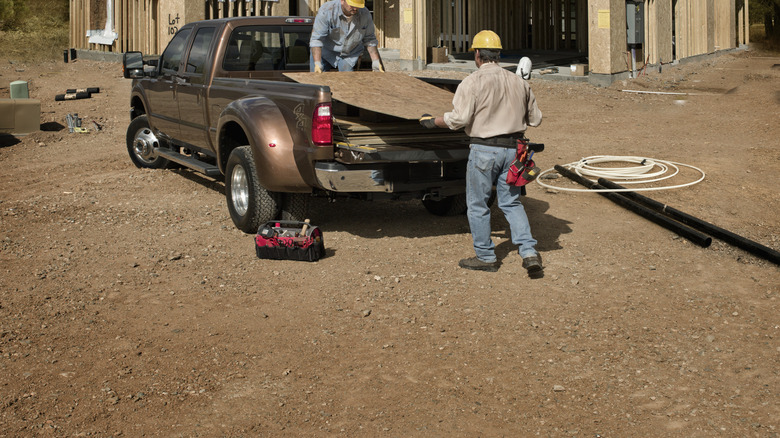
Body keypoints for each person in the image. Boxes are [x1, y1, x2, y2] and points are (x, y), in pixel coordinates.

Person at [419, 30, 543, 276]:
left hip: (484, 151)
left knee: (477, 205)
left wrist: (432, 121)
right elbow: (536, 119)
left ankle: (486, 257)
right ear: (498, 54)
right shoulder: (519, 82)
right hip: (513, 152)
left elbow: (459, 119)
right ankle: (529, 252)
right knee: (511, 201)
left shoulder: (472, 82)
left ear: (477, 54)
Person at [309, 0, 384, 73]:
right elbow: (317, 40)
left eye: (357, 6)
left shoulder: (365, 14)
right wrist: (317, 63)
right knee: (317, 80)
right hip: (325, 51)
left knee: (347, 81)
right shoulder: (327, 10)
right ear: (342, 1)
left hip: (349, 54)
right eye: (352, 5)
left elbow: (370, 40)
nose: (355, 8)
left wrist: (375, 61)